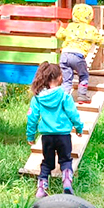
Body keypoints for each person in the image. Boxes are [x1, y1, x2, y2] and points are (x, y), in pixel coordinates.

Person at [27, 61, 84, 197]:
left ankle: (41, 188)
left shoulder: (38, 98)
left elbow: (32, 117)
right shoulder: (64, 95)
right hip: (63, 135)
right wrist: (79, 127)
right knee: (65, 160)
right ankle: (67, 183)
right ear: (59, 78)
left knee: (47, 162)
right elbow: (73, 113)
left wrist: (30, 135)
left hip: (47, 137)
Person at [55, 4, 104, 103]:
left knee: (67, 79)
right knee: (83, 75)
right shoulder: (90, 29)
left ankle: (63, 97)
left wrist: (61, 27)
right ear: (89, 16)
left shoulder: (70, 26)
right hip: (77, 56)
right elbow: (100, 41)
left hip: (64, 55)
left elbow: (59, 35)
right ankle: (82, 95)